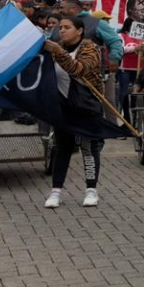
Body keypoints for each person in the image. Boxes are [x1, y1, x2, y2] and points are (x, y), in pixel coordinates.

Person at [42, 16, 106, 208]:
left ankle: (91, 190)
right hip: (62, 106)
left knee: (88, 147)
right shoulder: (55, 48)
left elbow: (78, 70)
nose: (62, 30)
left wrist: (59, 52)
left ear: (79, 30)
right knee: (62, 148)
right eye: (60, 27)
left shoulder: (90, 48)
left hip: (87, 105)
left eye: (67, 27)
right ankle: (56, 191)